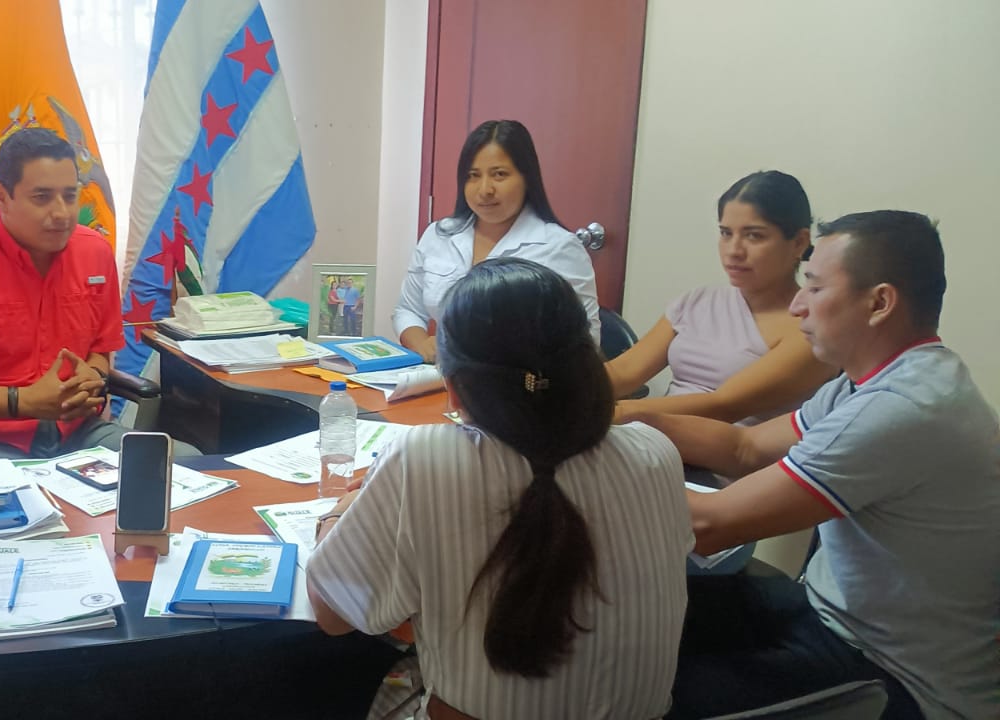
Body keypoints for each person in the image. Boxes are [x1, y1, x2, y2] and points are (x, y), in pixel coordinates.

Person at [626, 211, 1000, 719]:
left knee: (644, 691)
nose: (797, 305)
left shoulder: (904, 407)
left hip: (895, 675)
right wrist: (619, 417)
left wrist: (601, 472)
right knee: (634, 619)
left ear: (880, 303)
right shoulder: (870, 380)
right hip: (829, 614)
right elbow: (744, 447)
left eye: (816, 287)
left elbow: (709, 526)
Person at [309, 258, 692, 719]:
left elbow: (333, 614)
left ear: (453, 388)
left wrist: (342, 510)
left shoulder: (424, 457)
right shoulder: (656, 451)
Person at [0, 128, 196, 459]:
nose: (61, 213)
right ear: (1, 197)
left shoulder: (94, 252)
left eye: (70, 196)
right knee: (32, 494)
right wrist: (21, 401)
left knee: (188, 463)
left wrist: (92, 375)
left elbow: (99, 350)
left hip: (79, 434)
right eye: (42, 197)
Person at [607, 171, 837, 425]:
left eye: (754, 236)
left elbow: (723, 406)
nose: (734, 251)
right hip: (651, 433)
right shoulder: (697, 302)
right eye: (726, 233)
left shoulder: (811, 328)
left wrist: (610, 413)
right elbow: (623, 371)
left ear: (799, 242)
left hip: (719, 445)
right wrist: (572, 387)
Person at [393, 120, 601, 363]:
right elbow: (407, 310)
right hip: (443, 375)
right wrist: (421, 343)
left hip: (520, 381)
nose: (485, 189)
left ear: (527, 178)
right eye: (473, 176)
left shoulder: (559, 246)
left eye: (499, 174)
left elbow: (586, 341)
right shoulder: (439, 235)